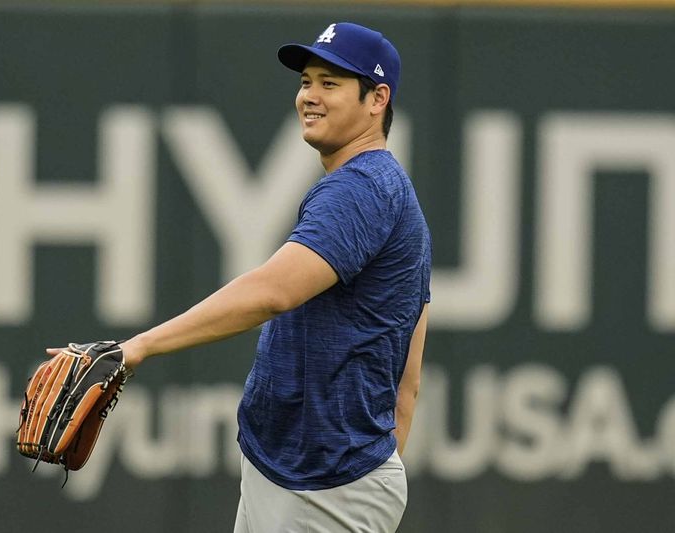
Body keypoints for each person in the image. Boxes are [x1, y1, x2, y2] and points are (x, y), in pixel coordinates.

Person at [51, 21, 431, 533]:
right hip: (312, 477)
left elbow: (273, 292)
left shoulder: (362, 187)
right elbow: (407, 380)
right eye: (306, 82)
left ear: (377, 98)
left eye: (331, 83)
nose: (310, 97)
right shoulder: (387, 191)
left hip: (323, 486)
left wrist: (137, 347)